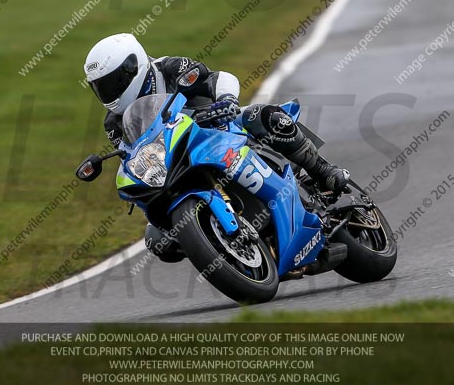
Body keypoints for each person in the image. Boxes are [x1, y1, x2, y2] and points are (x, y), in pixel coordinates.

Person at [82, 33, 350, 262]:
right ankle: (213, 241)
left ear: (133, 67)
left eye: (113, 82)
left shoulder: (170, 68)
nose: (108, 92)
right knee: (158, 239)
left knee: (266, 116)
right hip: (177, 160)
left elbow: (217, 78)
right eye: (100, 87)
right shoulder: (114, 122)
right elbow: (133, 153)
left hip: (220, 127)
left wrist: (226, 100)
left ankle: (323, 171)